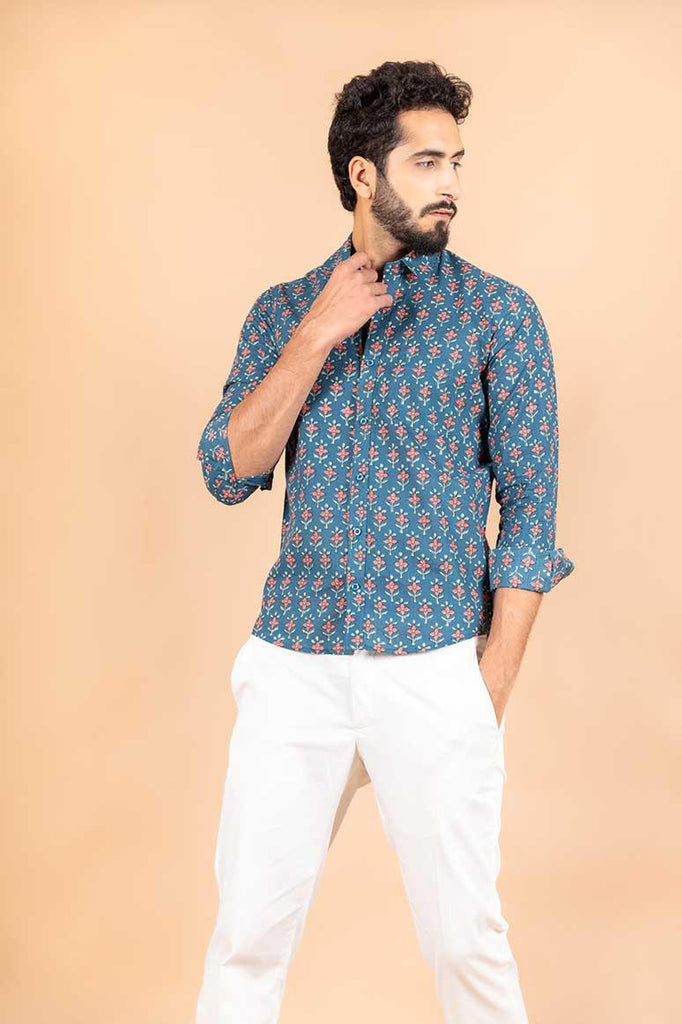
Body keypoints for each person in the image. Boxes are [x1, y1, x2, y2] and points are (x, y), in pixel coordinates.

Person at [194, 59, 575, 1023]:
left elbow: (531, 514)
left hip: (433, 663)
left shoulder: (500, 316)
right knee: (246, 938)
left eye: (457, 162)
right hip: (296, 663)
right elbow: (229, 469)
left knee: (466, 941)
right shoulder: (284, 311)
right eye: (426, 162)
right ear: (365, 175)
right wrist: (315, 336)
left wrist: (487, 688)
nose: (451, 185)